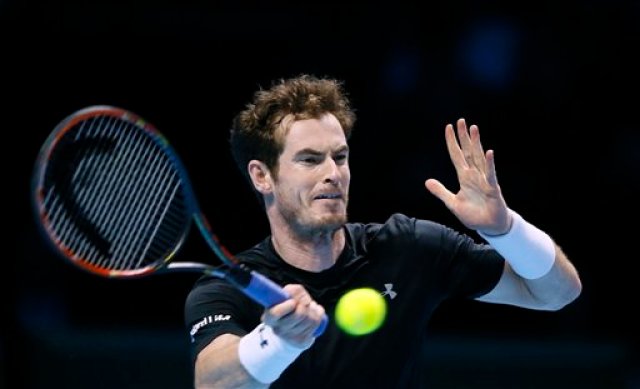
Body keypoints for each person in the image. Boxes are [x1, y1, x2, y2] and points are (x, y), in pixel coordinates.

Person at [183, 74, 582, 388]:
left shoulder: (407, 246)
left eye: (340, 157)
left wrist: (505, 230)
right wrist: (278, 339)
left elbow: (558, 294)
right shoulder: (226, 289)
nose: (332, 174)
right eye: (309, 160)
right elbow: (214, 382)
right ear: (262, 176)